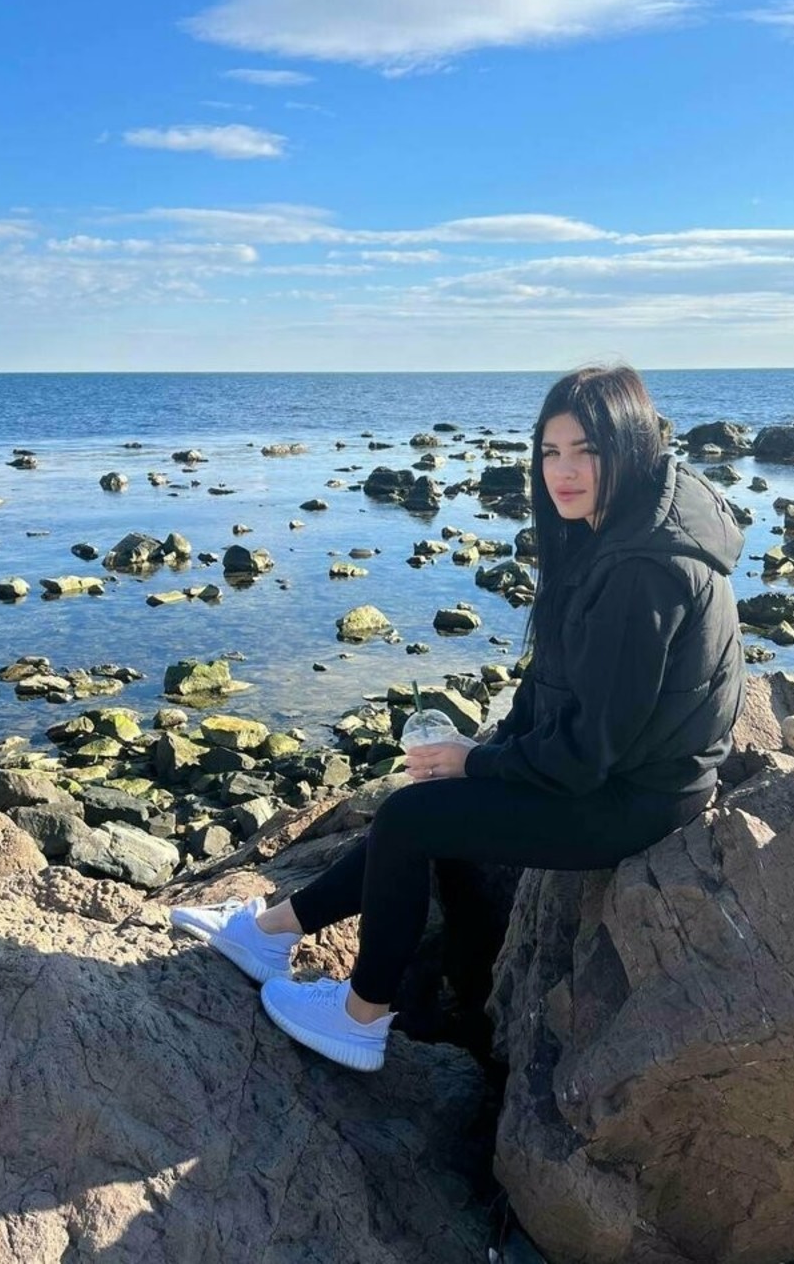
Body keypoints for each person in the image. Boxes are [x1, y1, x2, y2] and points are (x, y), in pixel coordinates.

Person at [170, 364, 746, 1072]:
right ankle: (269, 933)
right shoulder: (621, 528)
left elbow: (583, 753)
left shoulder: (642, 572)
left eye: (587, 451)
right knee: (424, 803)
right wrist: (488, 748)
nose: (563, 472)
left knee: (411, 819)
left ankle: (360, 1016)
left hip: (638, 801)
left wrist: (478, 762)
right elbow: (555, 680)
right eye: (550, 451)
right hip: (619, 772)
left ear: (629, 447)